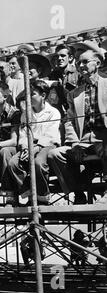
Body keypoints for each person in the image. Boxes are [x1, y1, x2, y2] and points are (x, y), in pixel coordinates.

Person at [48, 43, 107, 204]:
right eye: (79, 63)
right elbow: (68, 121)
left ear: (98, 64)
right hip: (84, 141)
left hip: (103, 138)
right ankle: (78, 193)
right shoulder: (75, 94)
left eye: (85, 62)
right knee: (55, 154)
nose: (81, 66)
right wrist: (74, 142)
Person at [7, 80, 61, 205]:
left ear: (43, 96)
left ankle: (42, 196)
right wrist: (26, 147)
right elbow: (23, 133)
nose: (29, 97)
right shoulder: (26, 114)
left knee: (38, 163)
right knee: (13, 163)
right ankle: (30, 191)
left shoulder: (53, 112)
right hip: (30, 145)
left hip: (47, 145)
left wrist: (36, 148)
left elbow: (50, 135)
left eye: (33, 94)